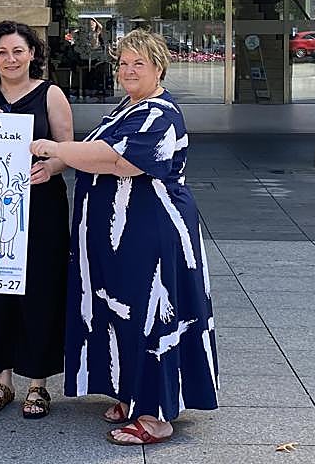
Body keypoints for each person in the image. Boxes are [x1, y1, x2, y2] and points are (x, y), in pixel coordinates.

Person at [30, 29, 218, 446]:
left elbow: (120, 162)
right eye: (124, 64)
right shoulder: (129, 106)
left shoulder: (161, 114)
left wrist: (56, 149)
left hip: (150, 234)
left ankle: (154, 416)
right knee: (122, 310)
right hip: (123, 236)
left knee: (151, 312)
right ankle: (132, 394)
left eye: (140, 64)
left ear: (159, 67)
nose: (129, 71)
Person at [0, 21, 73, 419]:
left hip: (42, 207)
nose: (11, 59)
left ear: (32, 55)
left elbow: (67, 151)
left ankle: (38, 384)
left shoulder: (50, 94)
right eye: (3, 52)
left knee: (41, 292)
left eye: (18, 51)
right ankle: (0, 378)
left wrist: (51, 166)